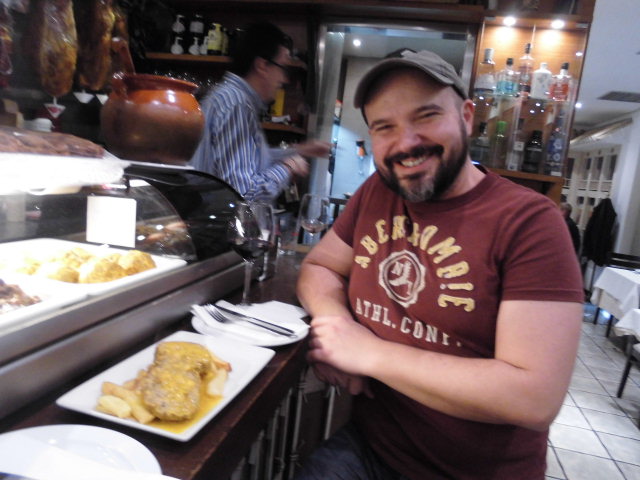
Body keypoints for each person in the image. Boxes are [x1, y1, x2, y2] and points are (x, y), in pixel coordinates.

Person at [295, 49, 584, 480]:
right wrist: (337, 326)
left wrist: (369, 354)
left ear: (466, 117)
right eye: (385, 127)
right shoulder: (377, 192)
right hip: (374, 448)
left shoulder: (529, 222)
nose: (406, 142)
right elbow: (320, 267)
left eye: (426, 116)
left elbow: (533, 397)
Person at [190, 22, 329, 203]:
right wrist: (288, 167)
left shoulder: (230, 97)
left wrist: (298, 150)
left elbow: (252, 158)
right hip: (215, 219)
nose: (284, 79)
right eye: (283, 67)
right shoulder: (236, 104)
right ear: (262, 65)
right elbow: (244, 193)